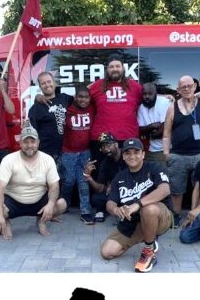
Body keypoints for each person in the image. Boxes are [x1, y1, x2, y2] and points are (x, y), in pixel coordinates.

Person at [100, 139, 174, 273]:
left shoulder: (155, 167)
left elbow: (165, 190)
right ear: (123, 156)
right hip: (133, 221)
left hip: (160, 217)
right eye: (128, 153)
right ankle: (148, 236)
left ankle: (149, 250)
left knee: (148, 209)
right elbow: (110, 203)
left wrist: (137, 204)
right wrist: (116, 210)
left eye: (136, 152)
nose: (132, 156)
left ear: (143, 154)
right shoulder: (120, 177)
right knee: (107, 252)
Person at [0, 126, 67, 238]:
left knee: (62, 204)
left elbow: (54, 186)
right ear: (20, 143)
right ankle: (6, 221)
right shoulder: (8, 159)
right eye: (25, 142)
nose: (29, 145)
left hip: (38, 200)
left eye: (33, 141)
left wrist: (51, 204)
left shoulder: (47, 159)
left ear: (38, 142)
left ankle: (41, 221)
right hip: (13, 200)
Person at [163, 75, 200, 220]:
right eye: (183, 87)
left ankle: (198, 215)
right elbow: (167, 134)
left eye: (189, 86)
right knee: (176, 189)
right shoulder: (172, 107)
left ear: (194, 86)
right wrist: (166, 153)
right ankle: (175, 216)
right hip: (178, 155)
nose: (186, 89)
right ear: (178, 89)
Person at [88, 54, 143, 145]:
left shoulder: (134, 86)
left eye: (118, 66)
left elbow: (148, 96)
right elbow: (80, 96)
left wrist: (167, 96)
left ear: (123, 68)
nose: (115, 69)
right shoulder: (97, 85)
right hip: (102, 137)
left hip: (128, 138)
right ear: (107, 70)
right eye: (111, 67)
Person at [60, 86, 94, 224]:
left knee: (84, 180)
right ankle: (64, 204)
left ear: (90, 98)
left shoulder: (92, 108)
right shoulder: (67, 109)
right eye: (80, 96)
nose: (83, 100)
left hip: (85, 152)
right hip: (68, 152)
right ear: (75, 97)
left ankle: (85, 211)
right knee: (69, 181)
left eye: (86, 97)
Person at [84, 132, 127, 223]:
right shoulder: (105, 162)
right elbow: (100, 189)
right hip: (116, 194)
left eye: (108, 145)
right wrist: (89, 177)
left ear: (116, 144)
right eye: (102, 147)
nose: (105, 149)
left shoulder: (127, 155)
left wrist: (114, 183)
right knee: (96, 198)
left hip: (130, 190)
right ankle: (102, 211)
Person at [29, 71, 72, 161]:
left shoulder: (65, 98)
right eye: (43, 83)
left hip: (67, 153)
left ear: (54, 83)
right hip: (46, 155)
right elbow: (32, 133)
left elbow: (83, 96)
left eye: (49, 81)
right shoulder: (35, 108)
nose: (47, 85)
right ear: (40, 87)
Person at [137, 82, 171, 163]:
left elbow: (166, 129)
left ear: (156, 94)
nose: (147, 97)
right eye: (144, 94)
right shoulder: (141, 107)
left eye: (150, 94)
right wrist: (152, 126)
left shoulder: (164, 102)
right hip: (149, 150)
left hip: (167, 149)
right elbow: (140, 130)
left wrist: (149, 135)